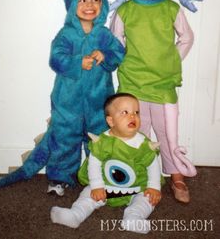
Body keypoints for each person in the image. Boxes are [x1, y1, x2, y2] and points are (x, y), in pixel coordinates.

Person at [0, 0, 125, 196]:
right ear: (71, 4)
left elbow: (118, 54)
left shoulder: (104, 35)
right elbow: (56, 59)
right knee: (64, 139)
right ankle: (60, 178)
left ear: (103, 3)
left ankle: (99, 175)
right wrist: (78, 61)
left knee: (99, 140)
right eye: (82, 0)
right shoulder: (66, 34)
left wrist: (105, 55)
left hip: (99, 102)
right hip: (67, 102)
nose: (89, 5)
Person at [110, 0, 204, 203]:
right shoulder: (124, 11)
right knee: (137, 133)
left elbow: (186, 38)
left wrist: (171, 61)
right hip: (133, 86)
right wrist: (120, 61)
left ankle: (175, 174)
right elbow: (116, 43)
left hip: (163, 86)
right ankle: (142, 178)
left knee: (165, 133)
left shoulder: (171, 9)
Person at [51, 93, 161, 234]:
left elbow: (152, 166)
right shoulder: (103, 141)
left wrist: (154, 187)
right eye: (125, 112)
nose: (132, 116)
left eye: (136, 112)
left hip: (137, 187)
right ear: (111, 121)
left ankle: (133, 218)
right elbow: (94, 164)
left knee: (147, 199)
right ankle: (75, 214)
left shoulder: (144, 144)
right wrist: (97, 186)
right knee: (88, 193)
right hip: (105, 187)